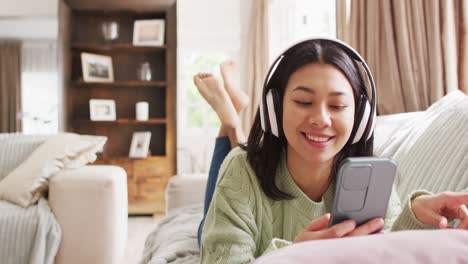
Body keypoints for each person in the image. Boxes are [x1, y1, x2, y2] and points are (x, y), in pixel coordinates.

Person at [194, 39, 468, 264]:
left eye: (337, 106)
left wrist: (416, 216)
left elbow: (385, 250)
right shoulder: (242, 170)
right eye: (303, 101)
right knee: (205, 226)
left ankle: (230, 118)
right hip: (237, 193)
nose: (321, 119)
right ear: (274, 109)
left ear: (360, 118)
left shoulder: (371, 176)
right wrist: (294, 255)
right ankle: (229, 121)